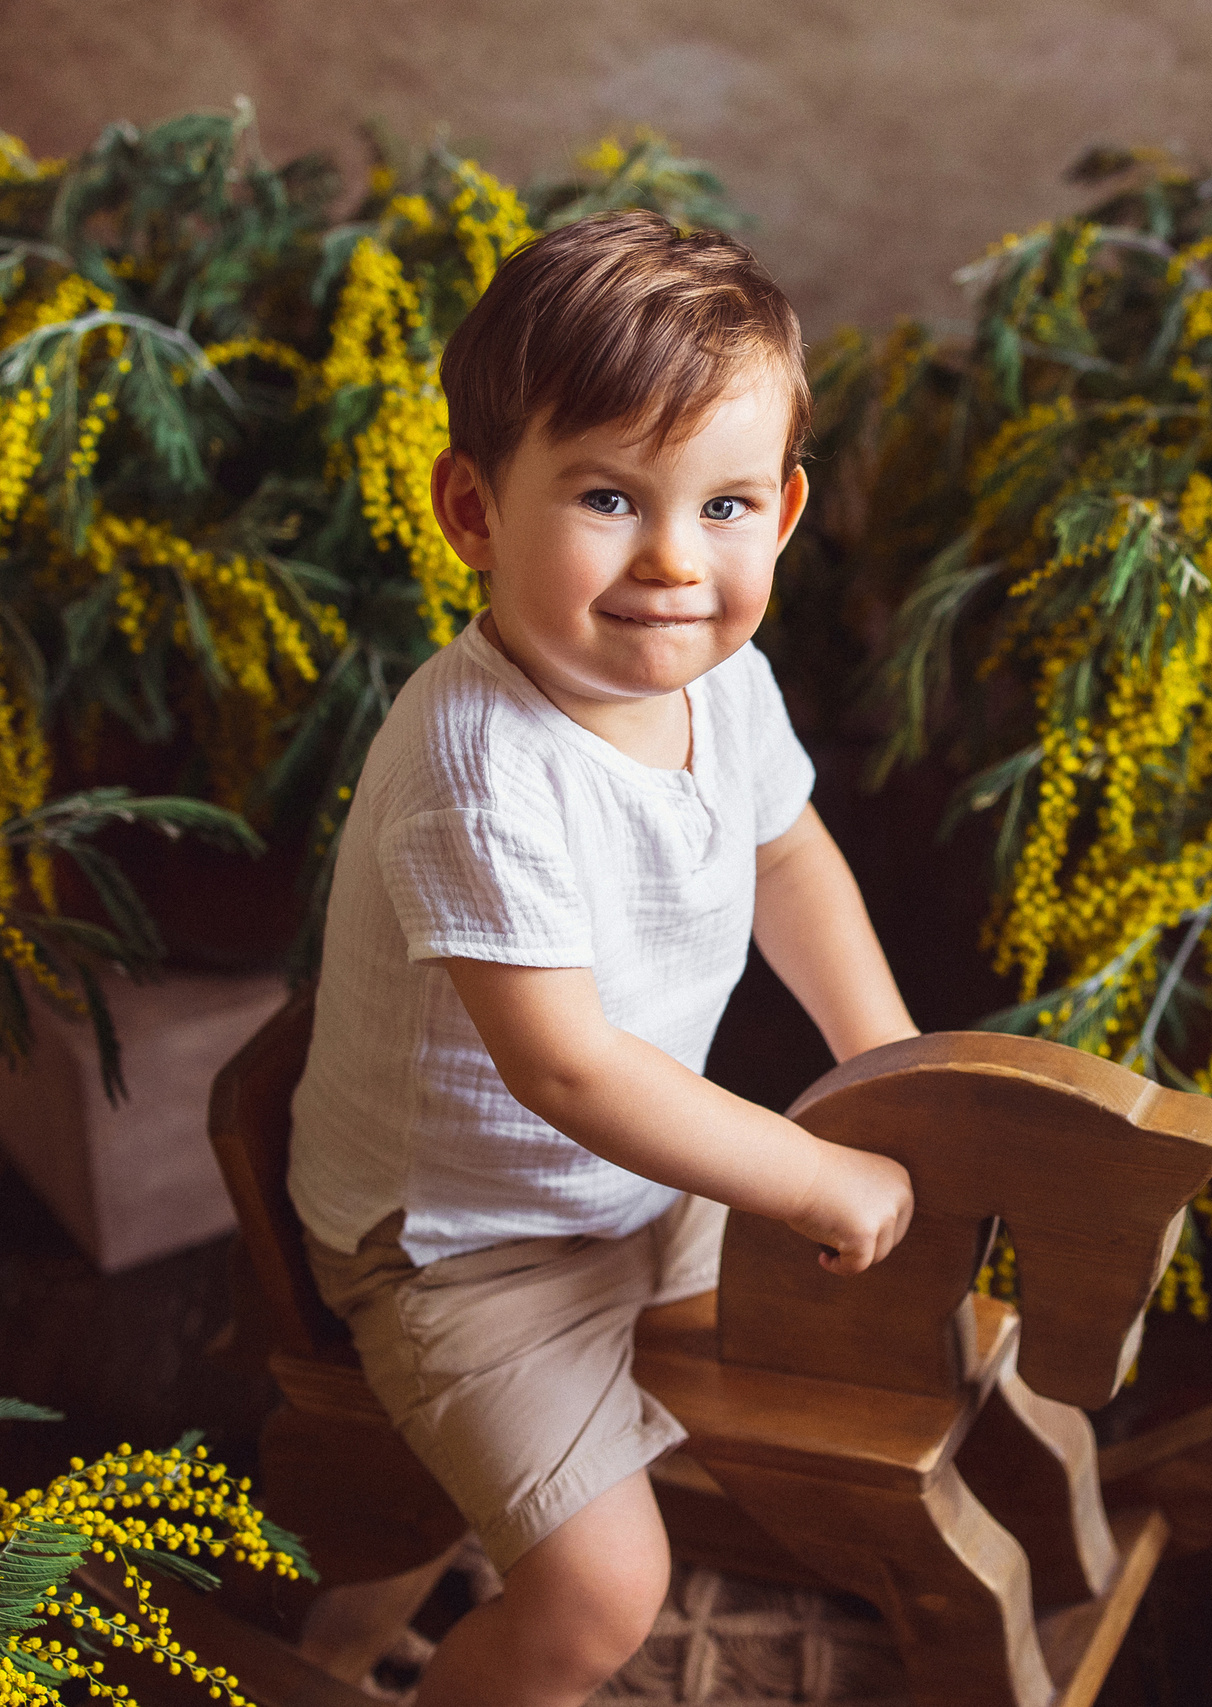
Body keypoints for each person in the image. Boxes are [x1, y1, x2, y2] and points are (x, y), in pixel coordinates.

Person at [287, 208, 920, 1707]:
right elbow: (562, 1065)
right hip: (463, 1246)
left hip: (631, 1184)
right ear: (473, 510)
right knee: (603, 1594)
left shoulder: (730, 678)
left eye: (722, 505)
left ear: (781, 516)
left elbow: (787, 857)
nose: (670, 563)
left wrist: (885, 1069)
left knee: (830, 1350)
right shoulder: (478, 759)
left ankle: (409, 1571)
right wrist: (809, 1167)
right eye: (606, 497)